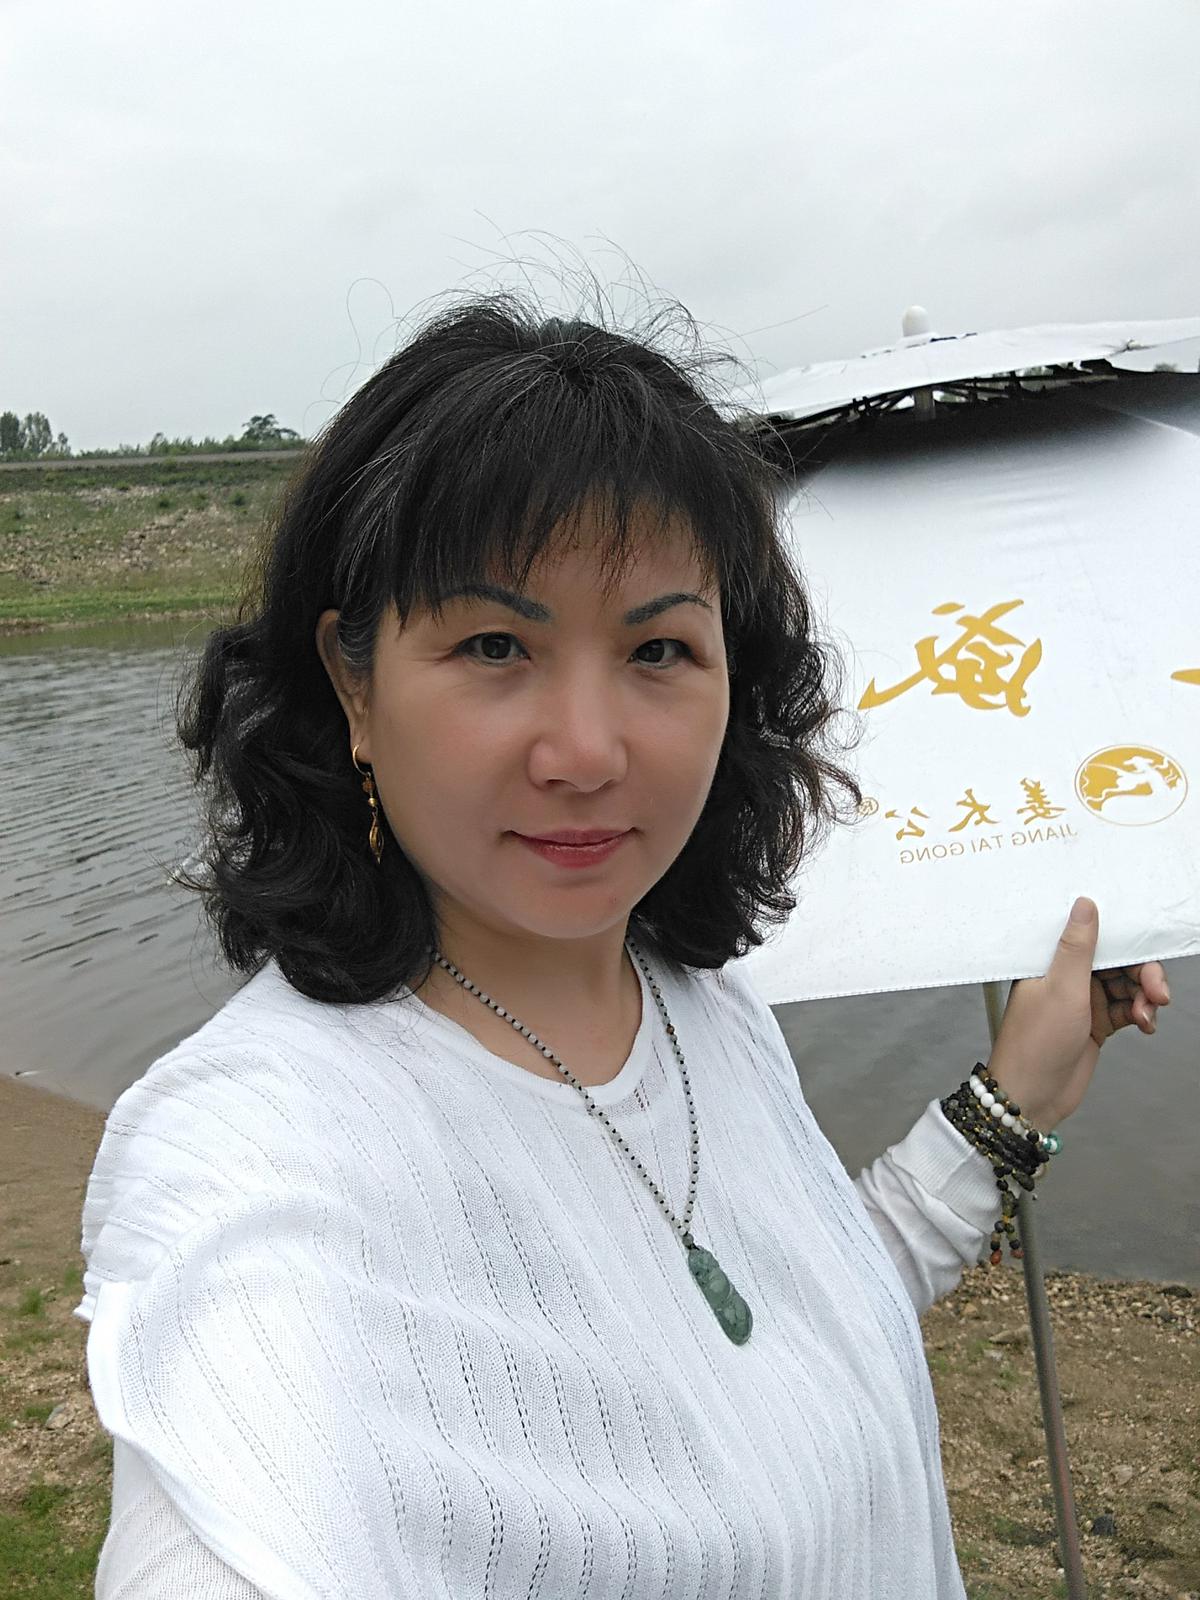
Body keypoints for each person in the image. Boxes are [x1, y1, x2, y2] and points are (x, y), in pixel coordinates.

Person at [75, 295, 1170, 1599]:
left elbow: (793, 1344)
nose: (588, 752)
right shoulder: (259, 1153)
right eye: (496, 645)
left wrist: (1007, 1108)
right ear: (353, 681)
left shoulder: (699, 1003)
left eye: (658, 648)